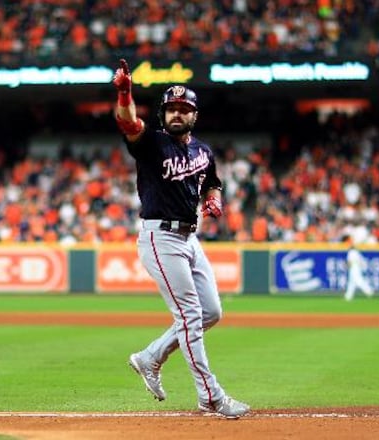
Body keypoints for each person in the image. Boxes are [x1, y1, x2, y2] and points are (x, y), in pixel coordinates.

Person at [112, 59, 250, 419]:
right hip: (161, 237)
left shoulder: (203, 150)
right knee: (190, 315)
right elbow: (128, 122)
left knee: (211, 312)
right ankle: (212, 397)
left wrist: (213, 197)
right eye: (171, 108)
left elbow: (212, 182)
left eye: (183, 109)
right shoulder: (151, 144)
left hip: (190, 238)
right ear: (163, 114)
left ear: (193, 115)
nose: (176, 114)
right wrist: (125, 92)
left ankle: (150, 357)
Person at [343, 235, 374, 301]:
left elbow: (350, 262)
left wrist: (346, 266)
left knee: (358, 281)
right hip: (355, 267)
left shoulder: (352, 252)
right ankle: (348, 296)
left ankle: (369, 291)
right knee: (352, 283)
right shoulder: (354, 251)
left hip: (355, 268)